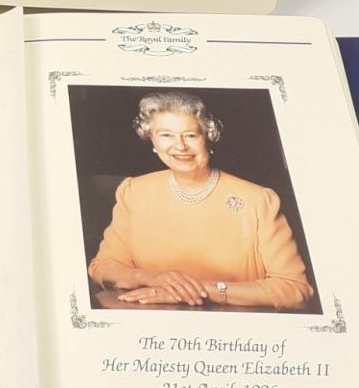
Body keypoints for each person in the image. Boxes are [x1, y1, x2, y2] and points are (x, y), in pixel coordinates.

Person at [87, 92, 314, 311]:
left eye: (190, 135)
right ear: (152, 139)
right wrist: (153, 278)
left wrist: (196, 291)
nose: (180, 146)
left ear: (208, 137)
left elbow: (294, 289)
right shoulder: (134, 191)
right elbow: (103, 267)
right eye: (166, 135)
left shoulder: (258, 200)